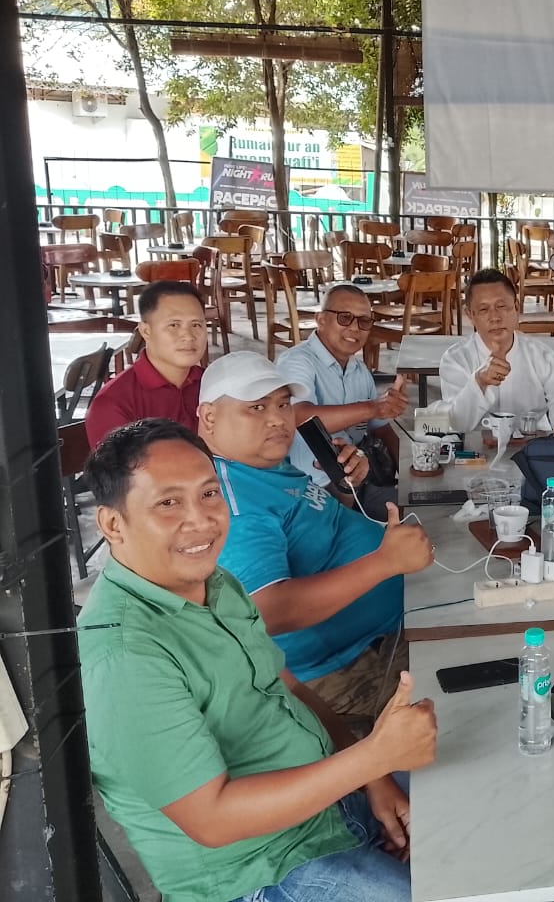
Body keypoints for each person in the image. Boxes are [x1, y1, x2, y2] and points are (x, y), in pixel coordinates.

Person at [79, 418, 438, 902]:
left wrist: (375, 778)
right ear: (112, 524)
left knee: (483, 788)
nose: (202, 520)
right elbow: (212, 819)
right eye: (168, 503)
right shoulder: (123, 655)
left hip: (329, 810)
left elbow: (288, 686)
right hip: (259, 871)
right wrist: (372, 757)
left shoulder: (216, 584)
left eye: (209, 494)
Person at [198, 351, 435, 720]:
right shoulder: (232, 503)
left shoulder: (262, 465)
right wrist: (384, 563)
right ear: (210, 417)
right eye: (256, 407)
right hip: (348, 667)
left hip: (389, 624)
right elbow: (268, 610)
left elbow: (318, 530)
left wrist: (344, 486)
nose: (277, 418)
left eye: (282, 404)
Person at [277, 283, 408, 520]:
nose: (355, 328)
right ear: (320, 320)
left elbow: (381, 429)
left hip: (359, 480)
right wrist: (373, 407)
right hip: (311, 491)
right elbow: (298, 416)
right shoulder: (297, 362)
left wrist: (409, 474)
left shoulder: (359, 371)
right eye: (344, 318)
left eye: (364, 321)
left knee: (421, 514)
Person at [440, 268, 554, 435]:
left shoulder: (541, 355)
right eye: (483, 309)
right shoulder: (456, 359)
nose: (495, 317)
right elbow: (456, 423)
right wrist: (479, 382)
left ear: (516, 307)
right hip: (475, 449)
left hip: (532, 445)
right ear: (470, 315)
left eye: (501, 306)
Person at [85, 280, 207, 448]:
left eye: (196, 325)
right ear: (146, 331)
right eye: (174, 325)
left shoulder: (214, 384)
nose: (188, 336)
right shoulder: (114, 403)